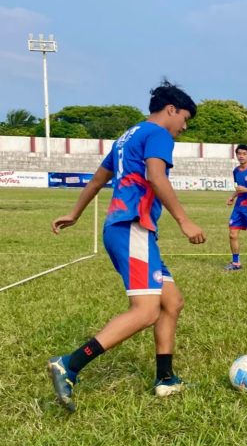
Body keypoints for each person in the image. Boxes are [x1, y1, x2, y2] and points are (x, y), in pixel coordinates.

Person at [47, 80, 206, 411]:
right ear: (171, 110)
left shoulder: (127, 136)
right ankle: (69, 364)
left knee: (171, 302)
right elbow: (156, 177)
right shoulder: (158, 134)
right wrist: (184, 221)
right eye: (185, 118)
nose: (184, 127)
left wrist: (74, 213)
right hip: (132, 226)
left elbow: (97, 179)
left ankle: (165, 379)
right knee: (146, 311)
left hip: (127, 228)